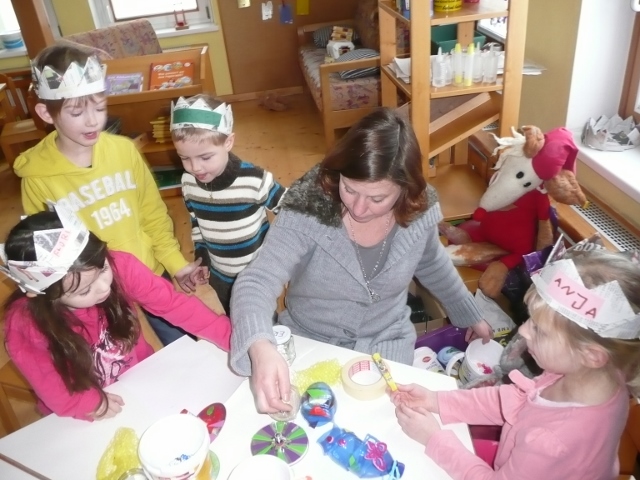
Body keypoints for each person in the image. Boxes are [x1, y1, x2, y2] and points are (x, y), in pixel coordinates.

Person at [229, 108, 492, 413]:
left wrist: (470, 314)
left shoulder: (418, 210)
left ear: (406, 188)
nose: (358, 208)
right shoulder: (309, 208)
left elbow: (432, 263)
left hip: (387, 344)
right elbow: (257, 280)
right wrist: (260, 346)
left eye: (377, 199)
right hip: (313, 340)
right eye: (349, 188)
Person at [13, 43, 205, 345]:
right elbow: (48, 249)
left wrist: (175, 263)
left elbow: (152, 214)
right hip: (96, 290)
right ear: (45, 113)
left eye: (100, 107)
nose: (92, 121)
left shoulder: (124, 151)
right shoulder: (38, 178)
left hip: (149, 271)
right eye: (76, 111)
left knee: (186, 345)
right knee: (125, 358)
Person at [391, 249, 640, 479]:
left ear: (592, 355)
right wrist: (436, 400)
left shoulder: (552, 441)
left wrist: (434, 439)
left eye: (539, 330)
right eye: (529, 320)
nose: (523, 330)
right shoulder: (597, 374)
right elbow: (516, 399)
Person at [0, 208, 232, 421]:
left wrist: (230, 335)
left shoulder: (120, 264)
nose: (103, 287)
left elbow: (174, 305)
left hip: (141, 378)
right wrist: (86, 403)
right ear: (45, 295)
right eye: (84, 290)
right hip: (83, 405)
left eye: (103, 269)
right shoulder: (24, 323)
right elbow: (48, 381)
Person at [170, 94, 286, 314]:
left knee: (262, 326)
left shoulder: (254, 179)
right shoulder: (188, 183)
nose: (195, 167)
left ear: (228, 142)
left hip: (257, 277)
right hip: (221, 276)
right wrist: (203, 258)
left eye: (205, 157)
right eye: (184, 158)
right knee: (235, 319)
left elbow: (293, 211)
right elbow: (197, 223)